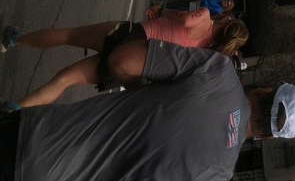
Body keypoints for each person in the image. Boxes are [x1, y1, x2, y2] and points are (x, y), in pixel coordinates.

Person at [0, 45, 295, 181]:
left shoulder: (219, 71)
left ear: (265, 91)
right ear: (269, 138)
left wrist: (149, 101)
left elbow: (121, 61)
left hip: (34, 135)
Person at [0, 10, 249, 107]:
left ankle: (13, 39)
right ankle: (16, 107)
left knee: (68, 35)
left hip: (135, 34)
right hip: (139, 64)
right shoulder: (206, 57)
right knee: (64, 80)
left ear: (228, 21)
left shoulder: (206, 18)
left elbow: (184, 20)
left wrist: (163, 12)